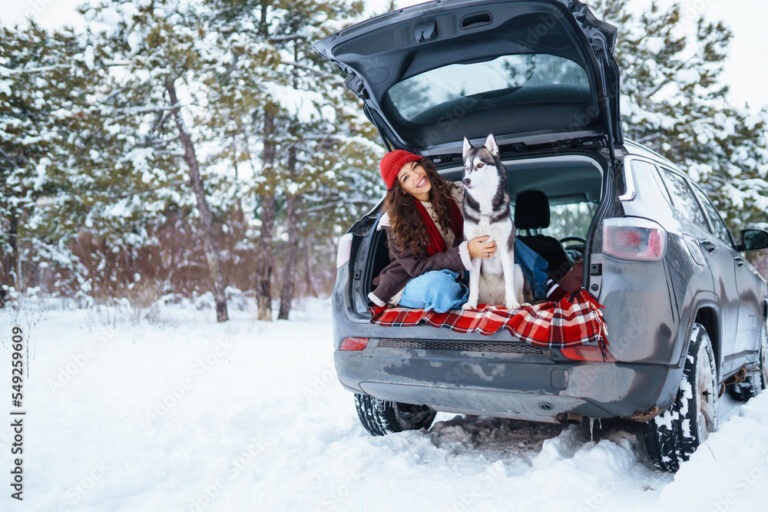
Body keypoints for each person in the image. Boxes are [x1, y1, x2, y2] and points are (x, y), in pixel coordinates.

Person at [368, 149, 497, 312]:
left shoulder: (455, 194)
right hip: (413, 280)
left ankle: (536, 286)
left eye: (415, 167)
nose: (416, 176)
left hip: (459, 271)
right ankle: (469, 297)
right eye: (405, 177)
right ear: (401, 189)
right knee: (438, 286)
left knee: (500, 241)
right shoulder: (396, 223)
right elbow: (418, 268)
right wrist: (467, 252)